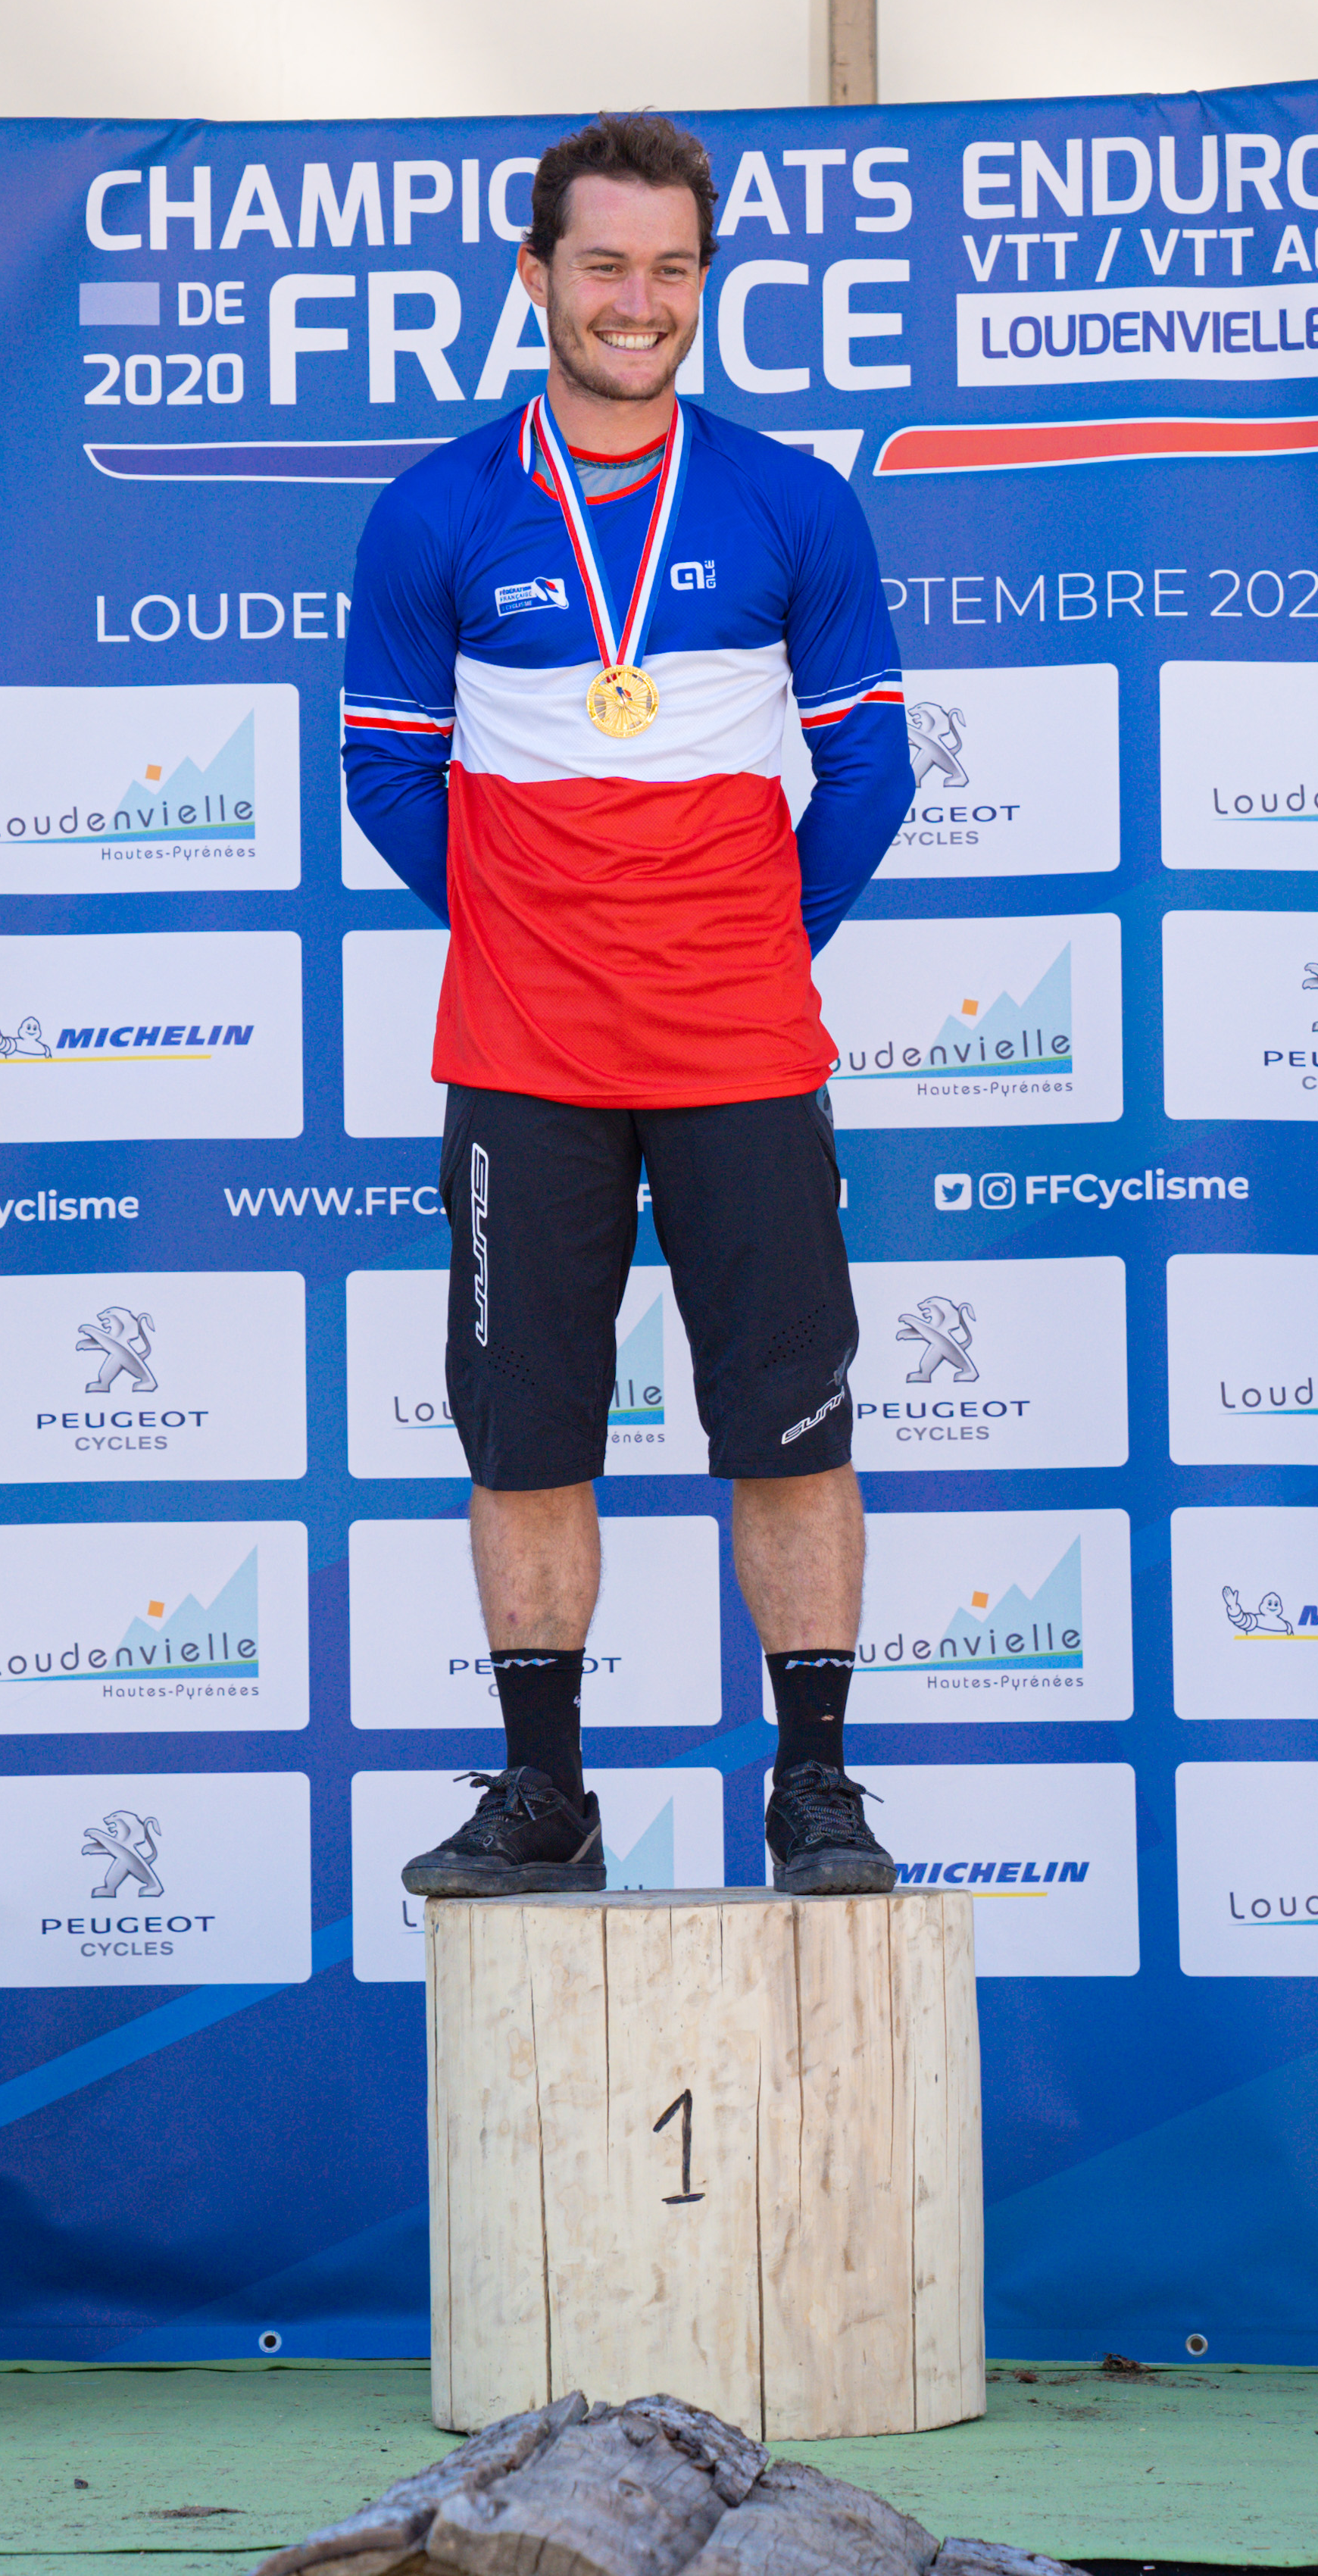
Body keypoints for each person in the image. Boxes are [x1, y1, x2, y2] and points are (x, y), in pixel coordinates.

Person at [344, 115, 918, 1898]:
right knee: (527, 1433)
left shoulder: (788, 501)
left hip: (742, 1045)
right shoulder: (438, 508)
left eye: (673, 268)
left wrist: (746, 940)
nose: (639, 301)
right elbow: (382, 776)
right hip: (527, 1052)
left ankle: (813, 1782)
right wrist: (538, 932)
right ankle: (543, 1790)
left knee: (791, 1424)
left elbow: (874, 771)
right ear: (535, 277)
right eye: (604, 265)